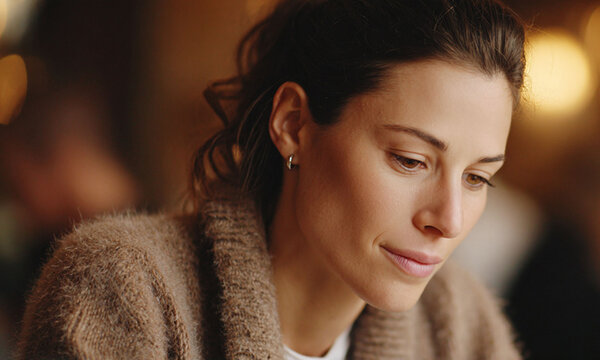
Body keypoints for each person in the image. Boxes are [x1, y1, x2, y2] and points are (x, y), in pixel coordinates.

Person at [17, 0, 526, 358]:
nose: (449, 220)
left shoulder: (459, 326)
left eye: (478, 178)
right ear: (294, 125)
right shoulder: (125, 289)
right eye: (410, 160)